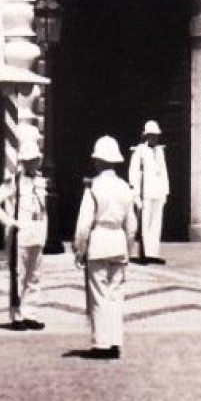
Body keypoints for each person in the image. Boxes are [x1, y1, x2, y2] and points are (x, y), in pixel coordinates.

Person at [74, 136, 136, 359]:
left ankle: (101, 343)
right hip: (118, 241)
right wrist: (128, 248)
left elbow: (84, 223)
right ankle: (115, 340)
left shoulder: (94, 187)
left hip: (99, 241)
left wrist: (79, 248)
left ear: (99, 161)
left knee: (98, 294)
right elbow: (132, 226)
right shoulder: (125, 187)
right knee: (116, 295)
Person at [0, 126, 49, 331]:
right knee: (18, 276)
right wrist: (9, 222)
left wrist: (44, 231)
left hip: (37, 234)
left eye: (36, 160)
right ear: (23, 162)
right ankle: (17, 316)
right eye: (30, 160)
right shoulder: (13, 181)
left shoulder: (41, 181)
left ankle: (30, 313)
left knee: (35, 276)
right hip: (20, 234)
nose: (34, 163)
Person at [128, 121, 169, 265]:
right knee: (144, 224)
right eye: (152, 135)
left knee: (156, 224)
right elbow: (134, 173)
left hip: (157, 192)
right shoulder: (139, 151)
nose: (154, 138)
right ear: (146, 136)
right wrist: (135, 194)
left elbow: (164, 172)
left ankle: (153, 253)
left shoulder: (160, 151)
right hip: (145, 193)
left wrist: (165, 192)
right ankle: (143, 253)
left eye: (156, 136)